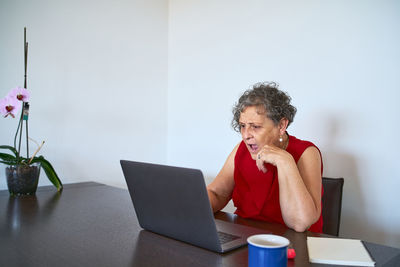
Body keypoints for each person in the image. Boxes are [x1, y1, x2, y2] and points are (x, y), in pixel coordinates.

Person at [207, 82, 323, 233]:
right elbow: (218, 193)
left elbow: (299, 223)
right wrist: (190, 205)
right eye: (242, 126)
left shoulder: (307, 152)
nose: (246, 135)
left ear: (281, 125)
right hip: (245, 237)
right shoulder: (241, 149)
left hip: (292, 243)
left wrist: (285, 161)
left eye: (255, 126)